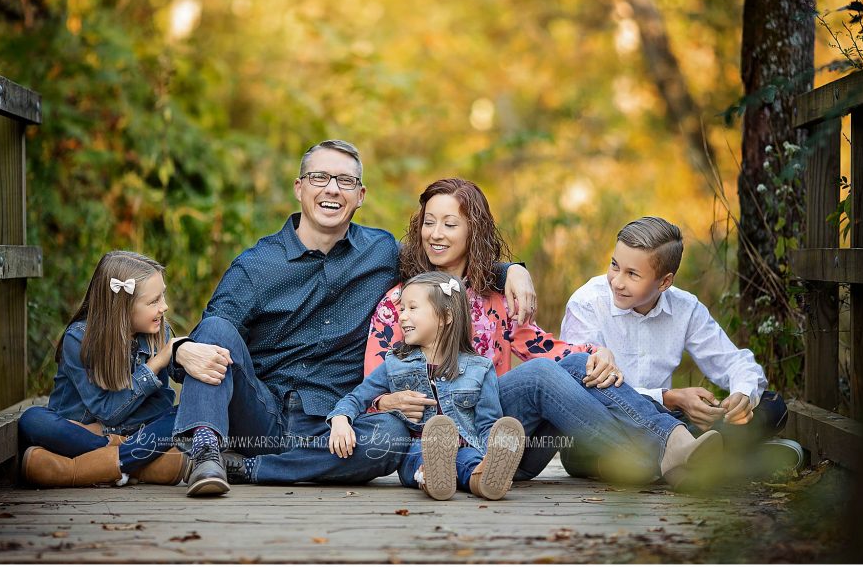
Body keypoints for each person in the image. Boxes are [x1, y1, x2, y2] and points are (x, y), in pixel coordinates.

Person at [170, 141, 538, 496]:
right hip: (261, 415)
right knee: (217, 328)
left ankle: (250, 470)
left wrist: (510, 271)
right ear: (299, 188)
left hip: (338, 427)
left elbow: (442, 254)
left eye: (345, 181)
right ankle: (205, 452)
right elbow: (208, 341)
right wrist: (180, 350)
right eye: (319, 178)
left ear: (360, 195)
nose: (332, 189)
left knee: (392, 436)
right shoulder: (256, 266)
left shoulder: (380, 251)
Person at [365, 179, 722, 489]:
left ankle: (671, 444)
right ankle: (658, 454)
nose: (436, 234)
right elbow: (372, 387)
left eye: (449, 224)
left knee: (578, 362)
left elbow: (544, 347)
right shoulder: (400, 303)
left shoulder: (499, 297)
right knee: (539, 376)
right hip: (438, 444)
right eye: (429, 223)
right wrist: (385, 401)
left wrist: (596, 353)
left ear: (473, 231)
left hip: (504, 439)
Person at [560, 216, 802, 475]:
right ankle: (745, 462)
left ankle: (685, 460)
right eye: (614, 266)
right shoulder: (587, 303)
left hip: (670, 423)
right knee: (580, 450)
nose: (617, 282)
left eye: (632, 274)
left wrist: (741, 396)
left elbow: (735, 361)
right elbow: (583, 388)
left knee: (772, 405)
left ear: (664, 282)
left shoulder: (686, 308)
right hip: (607, 425)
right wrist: (671, 397)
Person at [330, 271, 526, 500]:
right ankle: (432, 477)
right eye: (401, 309)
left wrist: (490, 453)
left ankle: (484, 480)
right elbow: (356, 398)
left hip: (465, 446)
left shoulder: (479, 368)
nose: (402, 316)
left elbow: (486, 424)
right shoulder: (395, 363)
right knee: (419, 457)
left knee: (469, 461)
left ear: (446, 316)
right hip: (414, 447)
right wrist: (340, 419)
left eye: (412, 308)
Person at [19, 251, 188, 488]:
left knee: (188, 412)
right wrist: (154, 365)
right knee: (33, 420)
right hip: (76, 435)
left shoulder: (159, 334)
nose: (165, 306)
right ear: (122, 306)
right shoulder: (78, 339)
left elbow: (161, 403)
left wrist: (103, 430)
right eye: (153, 301)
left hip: (104, 434)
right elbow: (107, 410)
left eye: (163, 296)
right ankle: (135, 464)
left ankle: (86, 467)